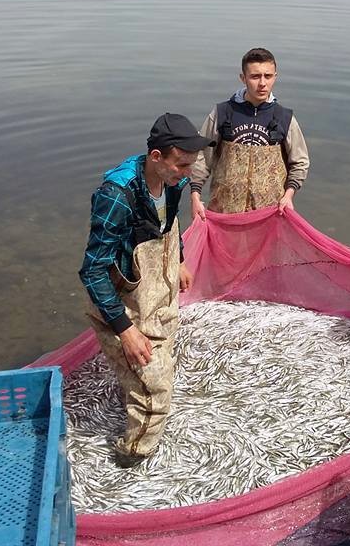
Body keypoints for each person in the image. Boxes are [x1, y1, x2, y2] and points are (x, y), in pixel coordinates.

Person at [78, 113, 215, 466]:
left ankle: (134, 397)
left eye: (191, 164)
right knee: (156, 388)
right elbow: (92, 271)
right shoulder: (117, 196)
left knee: (158, 362)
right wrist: (125, 330)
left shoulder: (172, 181)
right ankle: (133, 455)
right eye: (181, 164)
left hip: (159, 293)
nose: (188, 173)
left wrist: (180, 259)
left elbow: (170, 223)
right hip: (125, 305)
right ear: (156, 156)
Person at [190, 47, 309, 219]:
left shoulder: (285, 118)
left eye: (268, 76)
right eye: (255, 76)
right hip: (224, 213)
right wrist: (195, 196)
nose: (262, 83)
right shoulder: (223, 112)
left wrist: (288, 195)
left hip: (269, 216)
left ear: (275, 77)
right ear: (243, 78)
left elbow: (300, 162)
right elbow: (200, 156)